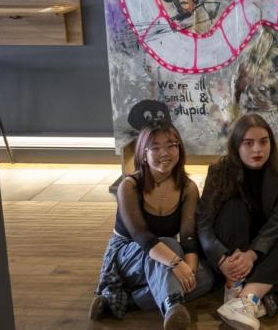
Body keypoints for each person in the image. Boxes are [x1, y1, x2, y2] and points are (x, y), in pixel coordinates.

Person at [89, 121, 214, 329]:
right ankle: (172, 306)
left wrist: (189, 270)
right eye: (155, 147)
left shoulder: (188, 188)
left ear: (179, 149)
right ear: (143, 153)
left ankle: (127, 301)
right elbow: (143, 237)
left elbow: (188, 235)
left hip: (162, 257)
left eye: (171, 145)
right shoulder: (129, 186)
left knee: (205, 278)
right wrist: (176, 263)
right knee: (169, 245)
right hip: (127, 257)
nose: (164, 152)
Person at [197, 114, 278, 330]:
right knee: (234, 208)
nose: (257, 150)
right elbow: (203, 222)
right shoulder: (219, 171)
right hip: (230, 250)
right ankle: (242, 288)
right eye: (248, 143)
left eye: (264, 142)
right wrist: (221, 259)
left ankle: (243, 300)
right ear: (237, 145)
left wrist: (252, 254)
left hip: (262, 253)